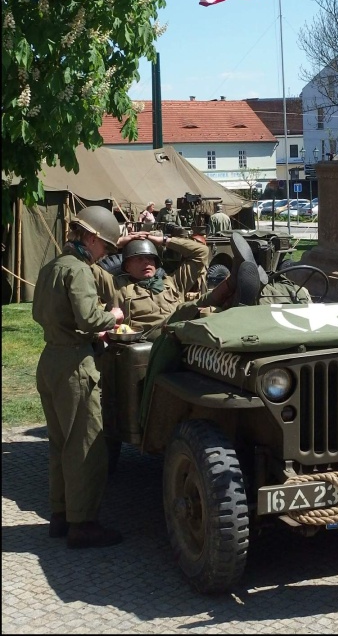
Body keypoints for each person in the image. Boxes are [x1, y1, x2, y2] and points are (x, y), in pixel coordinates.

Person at [32, 205, 125, 549]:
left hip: (50, 361)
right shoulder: (80, 271)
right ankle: (83, 524)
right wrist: (111, 316)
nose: (106, 254)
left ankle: (60, 515)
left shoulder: (51, 267)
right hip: (74, 365)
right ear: (90, 237)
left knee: (59, 444)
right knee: (86, 447)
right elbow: (88, 318)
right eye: (105, 247)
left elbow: (38, 313)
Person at [93, 230, 213, 330]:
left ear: (156, 264)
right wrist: (119, 242)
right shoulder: (116, 287)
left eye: (150, 258)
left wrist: (163, 240)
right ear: (127, 266)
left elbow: (202, 252)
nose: (146, 262)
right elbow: (82, 263)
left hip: (178, 336)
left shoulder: (173, 283)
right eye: (139, 259)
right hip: (145, 342)